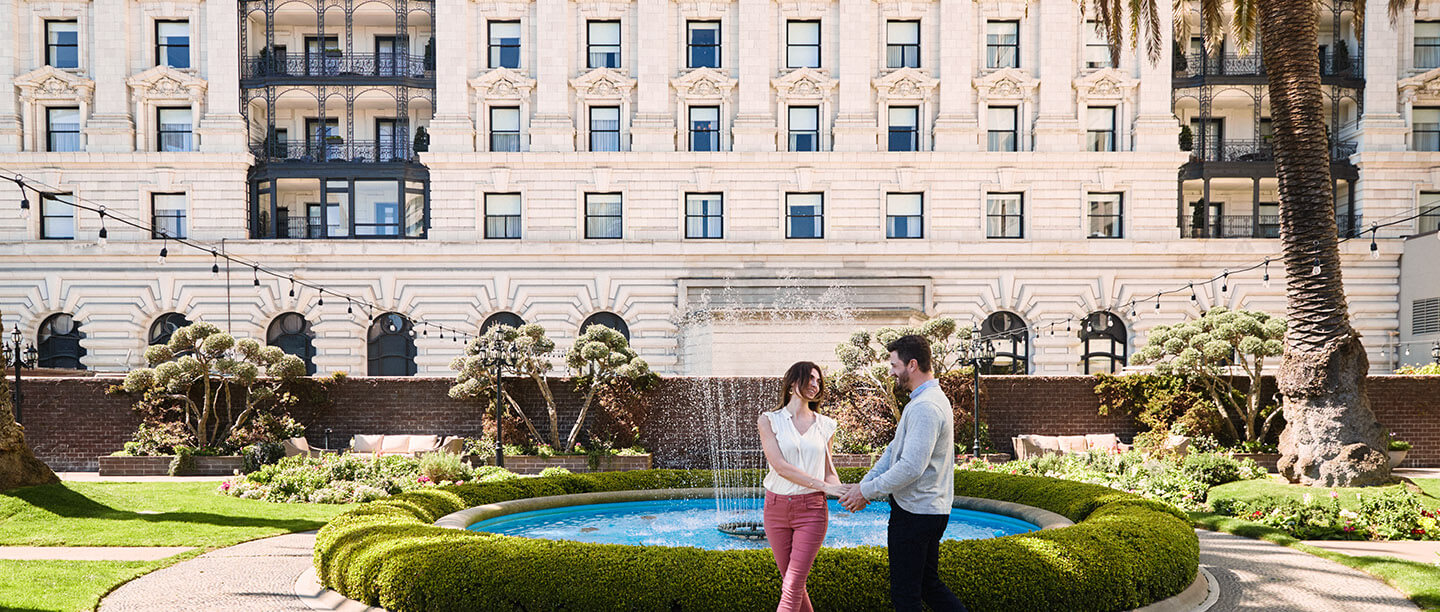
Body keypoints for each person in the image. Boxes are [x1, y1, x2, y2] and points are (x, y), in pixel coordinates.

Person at [839, 334, 968, 612]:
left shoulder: (925, 407)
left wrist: (865, 491)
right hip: (925, 511)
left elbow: (911, 466)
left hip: (916, 514)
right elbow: (893, 452)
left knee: (905, 595)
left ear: (912, 364)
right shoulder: (924, 401)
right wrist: (864, 486)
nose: (891, 371)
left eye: (894, 365)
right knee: (927, 585)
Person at [757, 361, 848, 612]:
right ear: (792, 382)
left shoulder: (826, 425)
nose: (815, 384)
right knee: (793, 583)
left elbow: (829, 471)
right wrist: (824, 486)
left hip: (811, 511)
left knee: (793, 585)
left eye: (818, 380)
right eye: (810, 378)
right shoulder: (769, 420)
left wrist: (842, 492)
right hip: (775, 509)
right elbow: (780, 466)